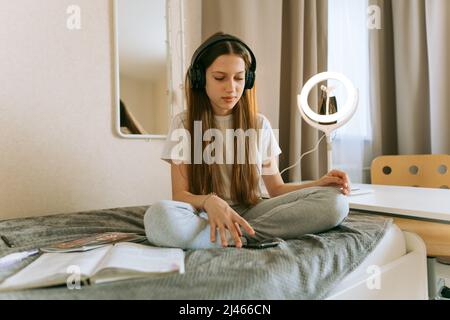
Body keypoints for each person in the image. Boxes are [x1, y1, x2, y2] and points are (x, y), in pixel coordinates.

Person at [144, 32, 350, 250]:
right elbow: (180, 195)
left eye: (239, 78)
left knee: (335, 202)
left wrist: (319, 183)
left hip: (253, 211)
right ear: (200, 78)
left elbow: (276, 189)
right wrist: (209, 201)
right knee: (158, 217)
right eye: (220, 78)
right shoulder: (183, 124)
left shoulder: (260, 124)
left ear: (248, 80)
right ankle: (246, 234)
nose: (231, 88)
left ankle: (234, 235)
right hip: (203, 215)